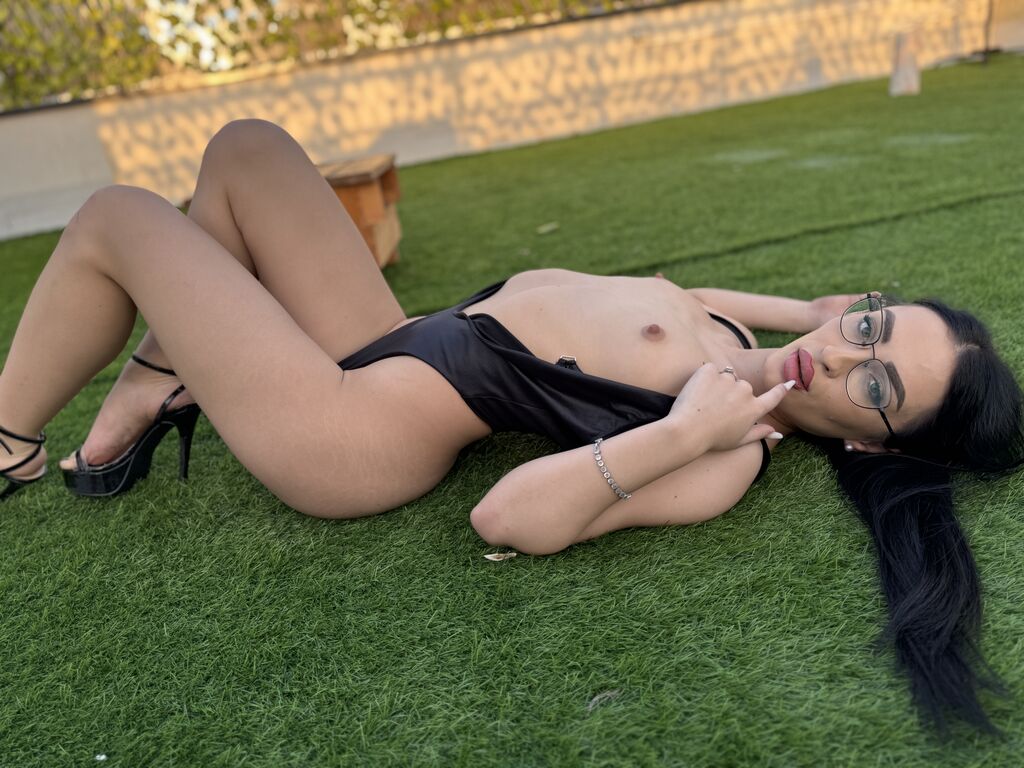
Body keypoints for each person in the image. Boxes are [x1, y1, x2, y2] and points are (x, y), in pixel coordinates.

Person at [1, 120, 1020, 737]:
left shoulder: (725, 455)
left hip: (355, 432)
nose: (840, 356)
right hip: (398, 337)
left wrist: (678, 434)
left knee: (119, 216)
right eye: (869, 328)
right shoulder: (740, 333)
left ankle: (12, 439)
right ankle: (155, 389)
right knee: (246, 152)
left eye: (876, 385)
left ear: (870, 444)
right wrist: (802, 310)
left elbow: (505, 517)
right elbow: (690, 298)